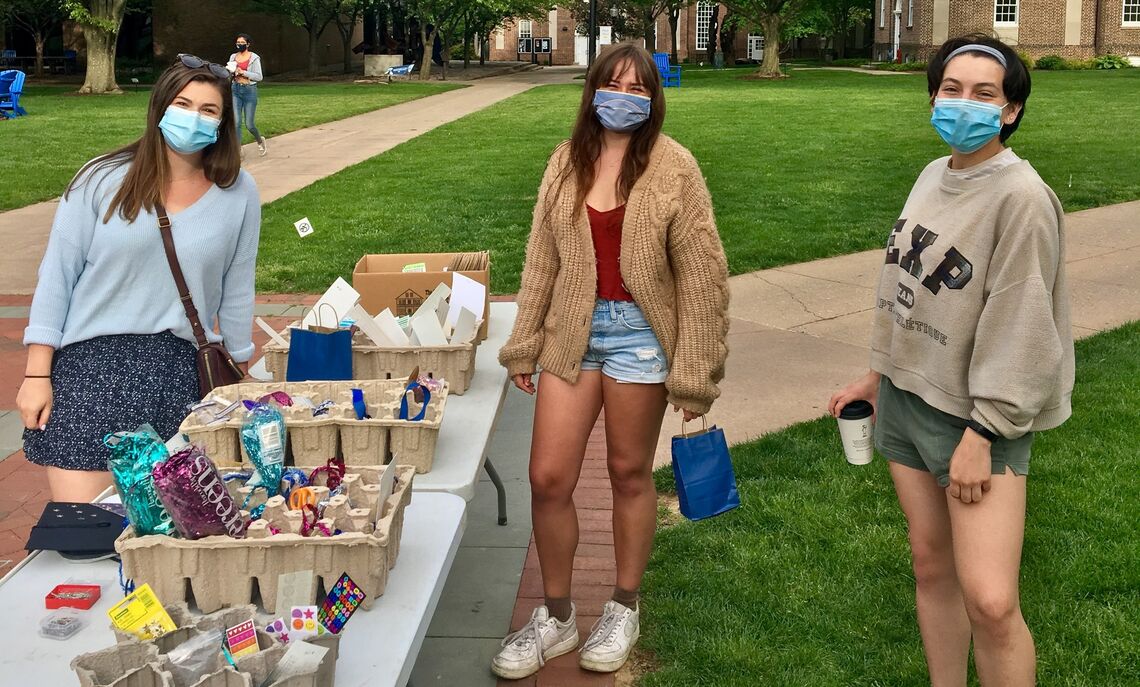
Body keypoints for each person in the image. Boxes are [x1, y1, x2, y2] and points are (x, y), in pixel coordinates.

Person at [829, 35, 1073, 687]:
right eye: (951, 89)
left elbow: (1027, 329)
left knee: (992, 603)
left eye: (984, 93)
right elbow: (907, 289)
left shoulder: (1021, 198)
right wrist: (879, 374)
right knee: (931, 568)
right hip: (908, 404)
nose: (963, 103)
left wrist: (984, 432)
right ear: (934, 95)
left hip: (975, 421)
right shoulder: (934, 175)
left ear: (1011, 109)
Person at [494, 43, 729, 680]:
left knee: (629, 473)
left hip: (642, 338)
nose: (624, 95)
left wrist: (695, 370)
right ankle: (558, 614)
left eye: (638, 87)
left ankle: (623, 605)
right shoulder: (565, 162)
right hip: (573, 334)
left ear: (653, 99)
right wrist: (524, 343)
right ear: (593, 89)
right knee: (548, 477)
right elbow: (541, 259)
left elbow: (703, 275)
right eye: (612, 83)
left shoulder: (675, 166)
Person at [17, 55, 261, 502]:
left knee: (175, 533)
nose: (194, 117)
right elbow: (57, 275)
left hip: (181, 373)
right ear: (160, 107)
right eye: (183, 104)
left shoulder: (238, 191)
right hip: (91, 373)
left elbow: (238, 286)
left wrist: (239, 367)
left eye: (209, 110)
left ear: (224, 121)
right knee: (88, 531)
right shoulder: (101, 179)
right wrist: (37, 374)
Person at [229, 34, 267, 156]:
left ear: (248, 44)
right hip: (235, 89)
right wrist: (231, 72)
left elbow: (259, 76)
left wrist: (243, 72)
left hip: (249, 91)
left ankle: (260, 141)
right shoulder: (233, 57)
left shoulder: (254, 58)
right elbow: (229, 72)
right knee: (236, 122)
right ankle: (238, 150)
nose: (239, 44)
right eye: (237, 42)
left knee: (249, 124)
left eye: (242, 42)